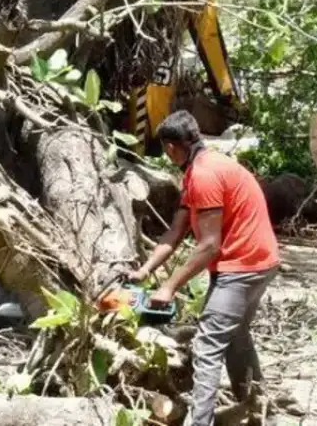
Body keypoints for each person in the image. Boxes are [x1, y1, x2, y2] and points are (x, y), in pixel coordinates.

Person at [128, 110, 279, 426]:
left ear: (170, 147)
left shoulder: (205, 176)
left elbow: (210, 245)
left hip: (243, 266)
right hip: (257, 261)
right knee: (236, 335)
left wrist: (169, 287)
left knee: (208, 345)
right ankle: (255, 405)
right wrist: (145, 270)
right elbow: (176, 230)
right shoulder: (199, 170)